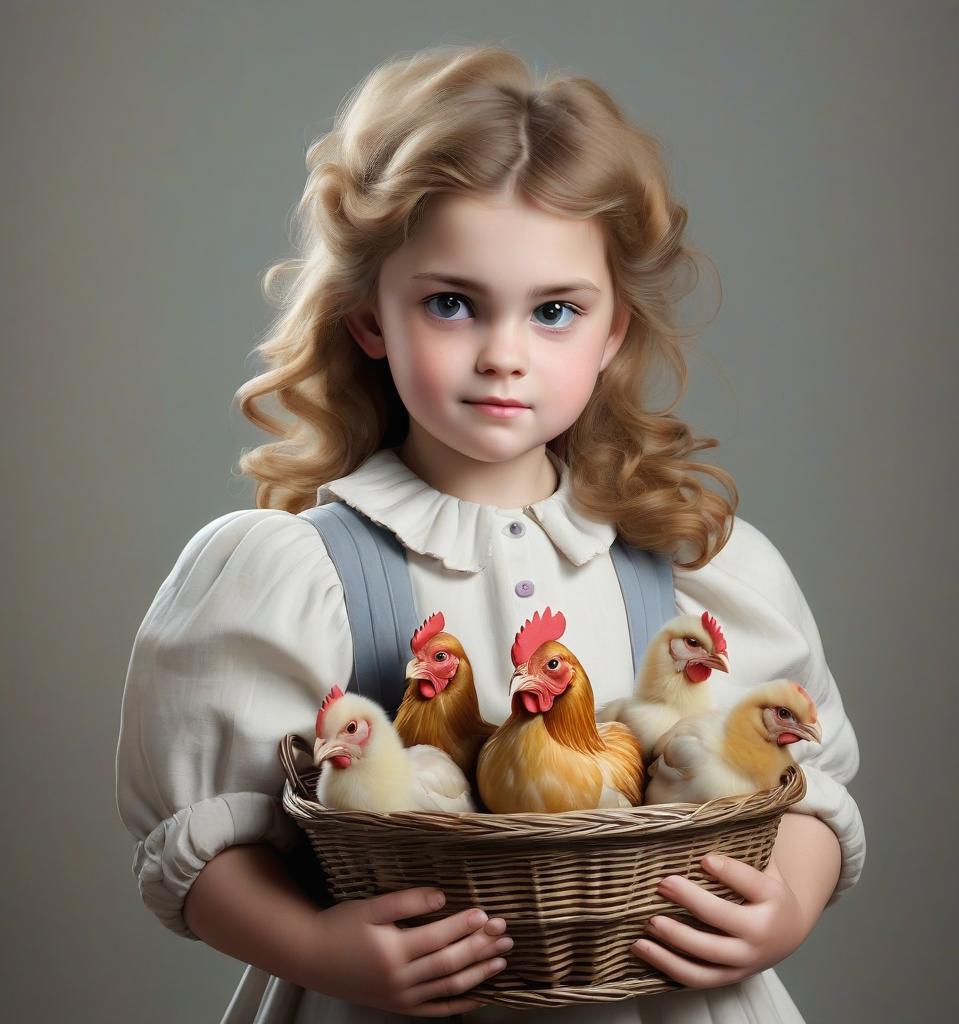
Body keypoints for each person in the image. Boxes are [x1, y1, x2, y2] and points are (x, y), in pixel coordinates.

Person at [115, 43, 865, 1023]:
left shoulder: (693, 569)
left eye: (554, 311)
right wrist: (313, 945)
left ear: (612, 335)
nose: (504, 355)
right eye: (452, 303)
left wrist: (787, 903)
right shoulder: (294, 572)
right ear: (368, 316)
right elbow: (203, 840)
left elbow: (805, 788)